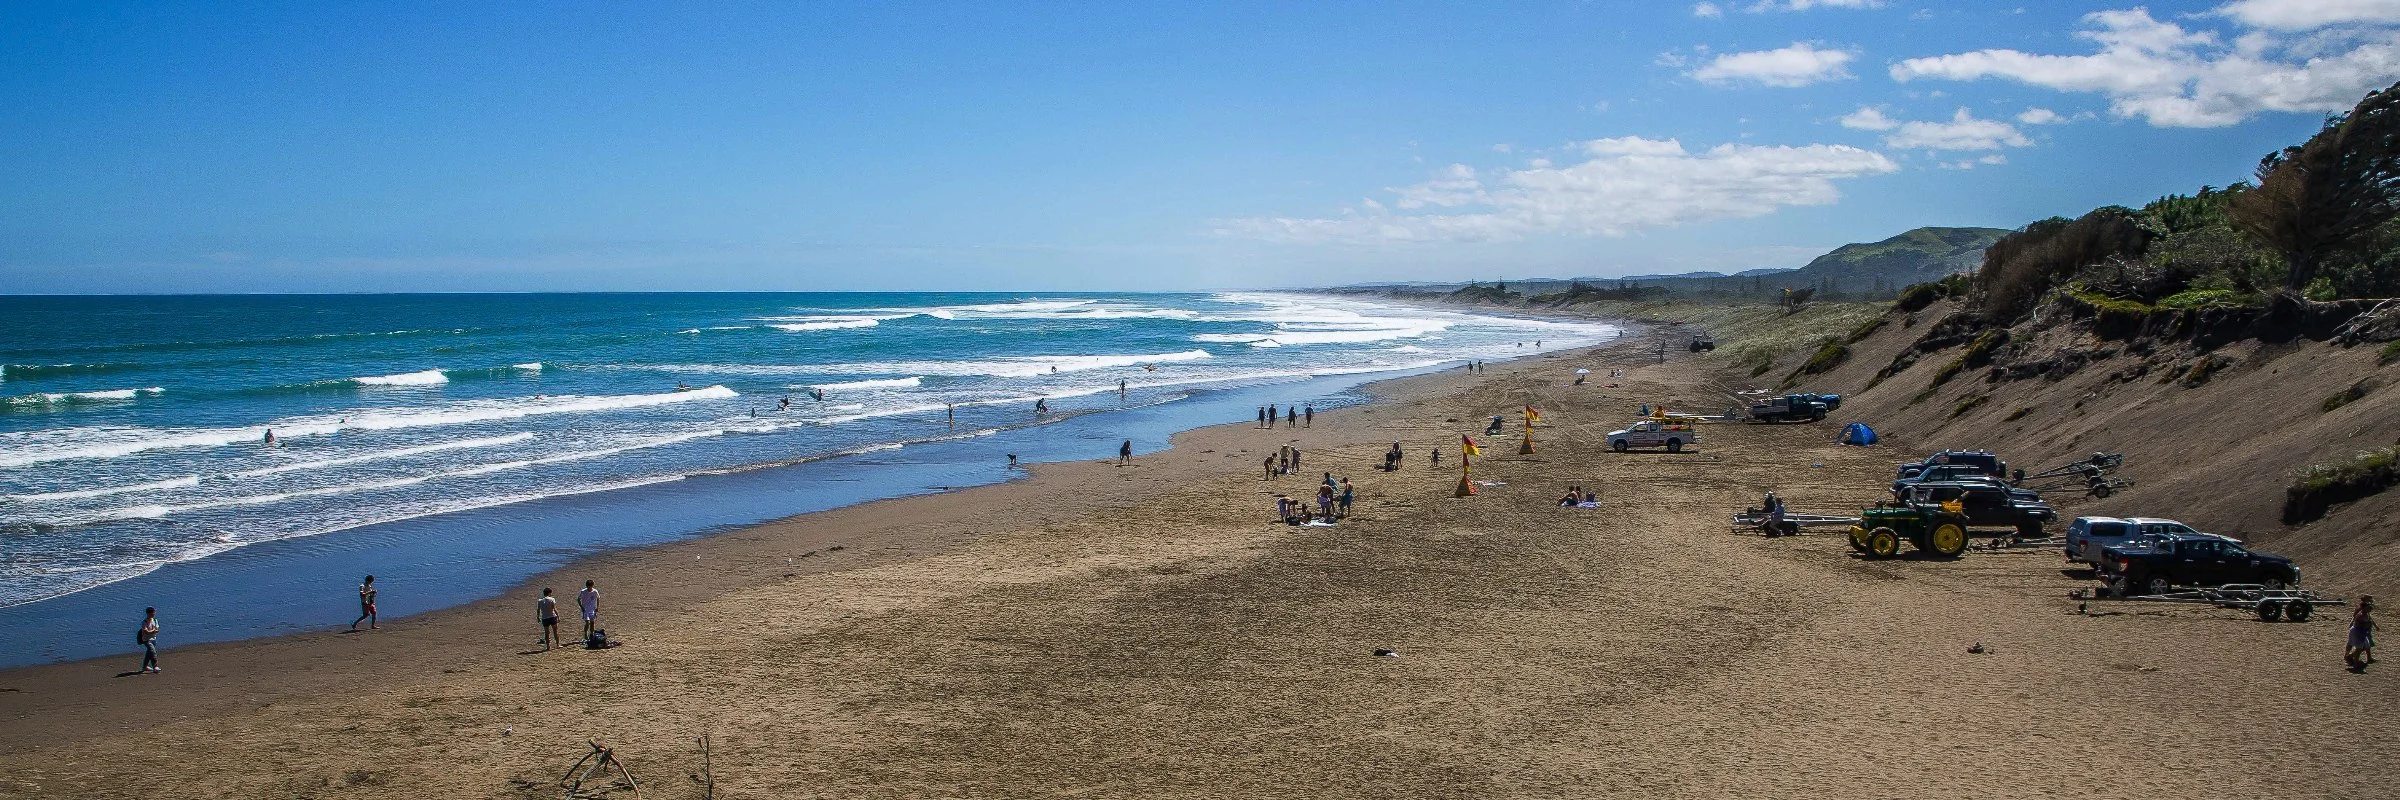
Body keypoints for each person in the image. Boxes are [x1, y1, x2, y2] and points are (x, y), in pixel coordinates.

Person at [2350, 595, 2378, 672]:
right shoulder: (2361, 615)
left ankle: (2368, 658)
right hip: (2359, 632)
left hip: (2363, 632)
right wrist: (2368, 628)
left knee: (2367, 645)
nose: (2370, 608)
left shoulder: (2366, 613)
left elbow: (2370, 621)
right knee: (2359, 648)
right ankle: (2355, 663)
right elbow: (2362, 625)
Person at [136, 607, 160, 673]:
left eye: (154, 613)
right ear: (148, 614)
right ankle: (155, 666)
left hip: (153, 639)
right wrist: (153, 631)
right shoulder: (144, 622)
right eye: (152, 613)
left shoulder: (155, 620)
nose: (153, 614)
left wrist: (153, 631)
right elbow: (146, 632)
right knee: (153, 652)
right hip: (146, 640)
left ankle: (145, 666)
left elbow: (157, 629)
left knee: (149, 653)